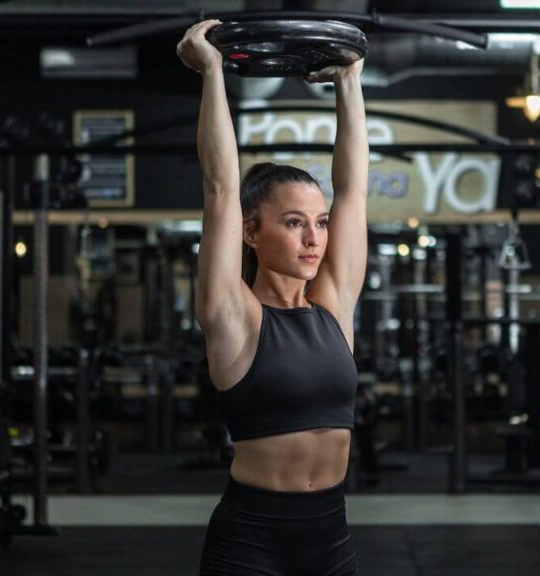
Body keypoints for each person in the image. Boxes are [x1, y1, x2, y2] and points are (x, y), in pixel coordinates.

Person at [177, 19, 368, 576]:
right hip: (251, 541)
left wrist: (348, 82)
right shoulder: (232, 314)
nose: (314, 238)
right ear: (250, 230)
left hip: (331, 535)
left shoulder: (333, 305)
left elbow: (353, 191)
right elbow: (219, 190)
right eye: (293, 222)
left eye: (319, 223)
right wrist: (212, 72)